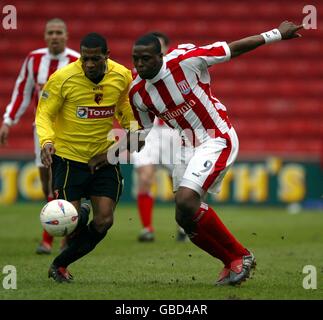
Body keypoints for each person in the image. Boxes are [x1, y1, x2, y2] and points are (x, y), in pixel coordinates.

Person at [128, 21, 303, 285]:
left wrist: (276, 34)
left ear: (160, 56)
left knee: (187, 200)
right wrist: (106, 154)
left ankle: (240, 256)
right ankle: (231, 261)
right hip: (186, 146)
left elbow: (232, 49)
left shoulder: (186, 61)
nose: (140, 65)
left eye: (146, 59)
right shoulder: (138, 93)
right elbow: (142, 132)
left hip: (216, 138)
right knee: (183, 216)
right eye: (136, 59)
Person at [35, 32, 140, 283]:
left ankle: (60, 265)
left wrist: (132, 129)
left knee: (104, 220)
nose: (89, 64)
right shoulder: (62, 78)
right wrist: (47, 141)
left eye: (95, 59)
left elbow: (123, 105)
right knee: (70, 221)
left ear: (107, 56)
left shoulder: (122, 76)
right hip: (69, 158)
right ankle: (78, 214)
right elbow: (44, 114)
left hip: (103, 158)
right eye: (85, 59)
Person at [0, 18, 79, 255]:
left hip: (67, 130)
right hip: (41, 130)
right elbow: (22, 92)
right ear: (45, 36)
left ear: (66, 35)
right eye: (51, 32)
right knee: (46, 181)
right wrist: (7, 122)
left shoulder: (75, 61)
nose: (55, 36)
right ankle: (59, 228)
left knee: (59, 180)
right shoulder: (34, 59)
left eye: (59, 32)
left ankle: (53, 239)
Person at [132, 32, 186, 242]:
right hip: (149, 133)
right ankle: (147, 229)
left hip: (175, 132)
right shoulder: (138, 73)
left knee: (180, 183)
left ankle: (183, 227)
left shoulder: (176, 66)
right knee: (145, 177)